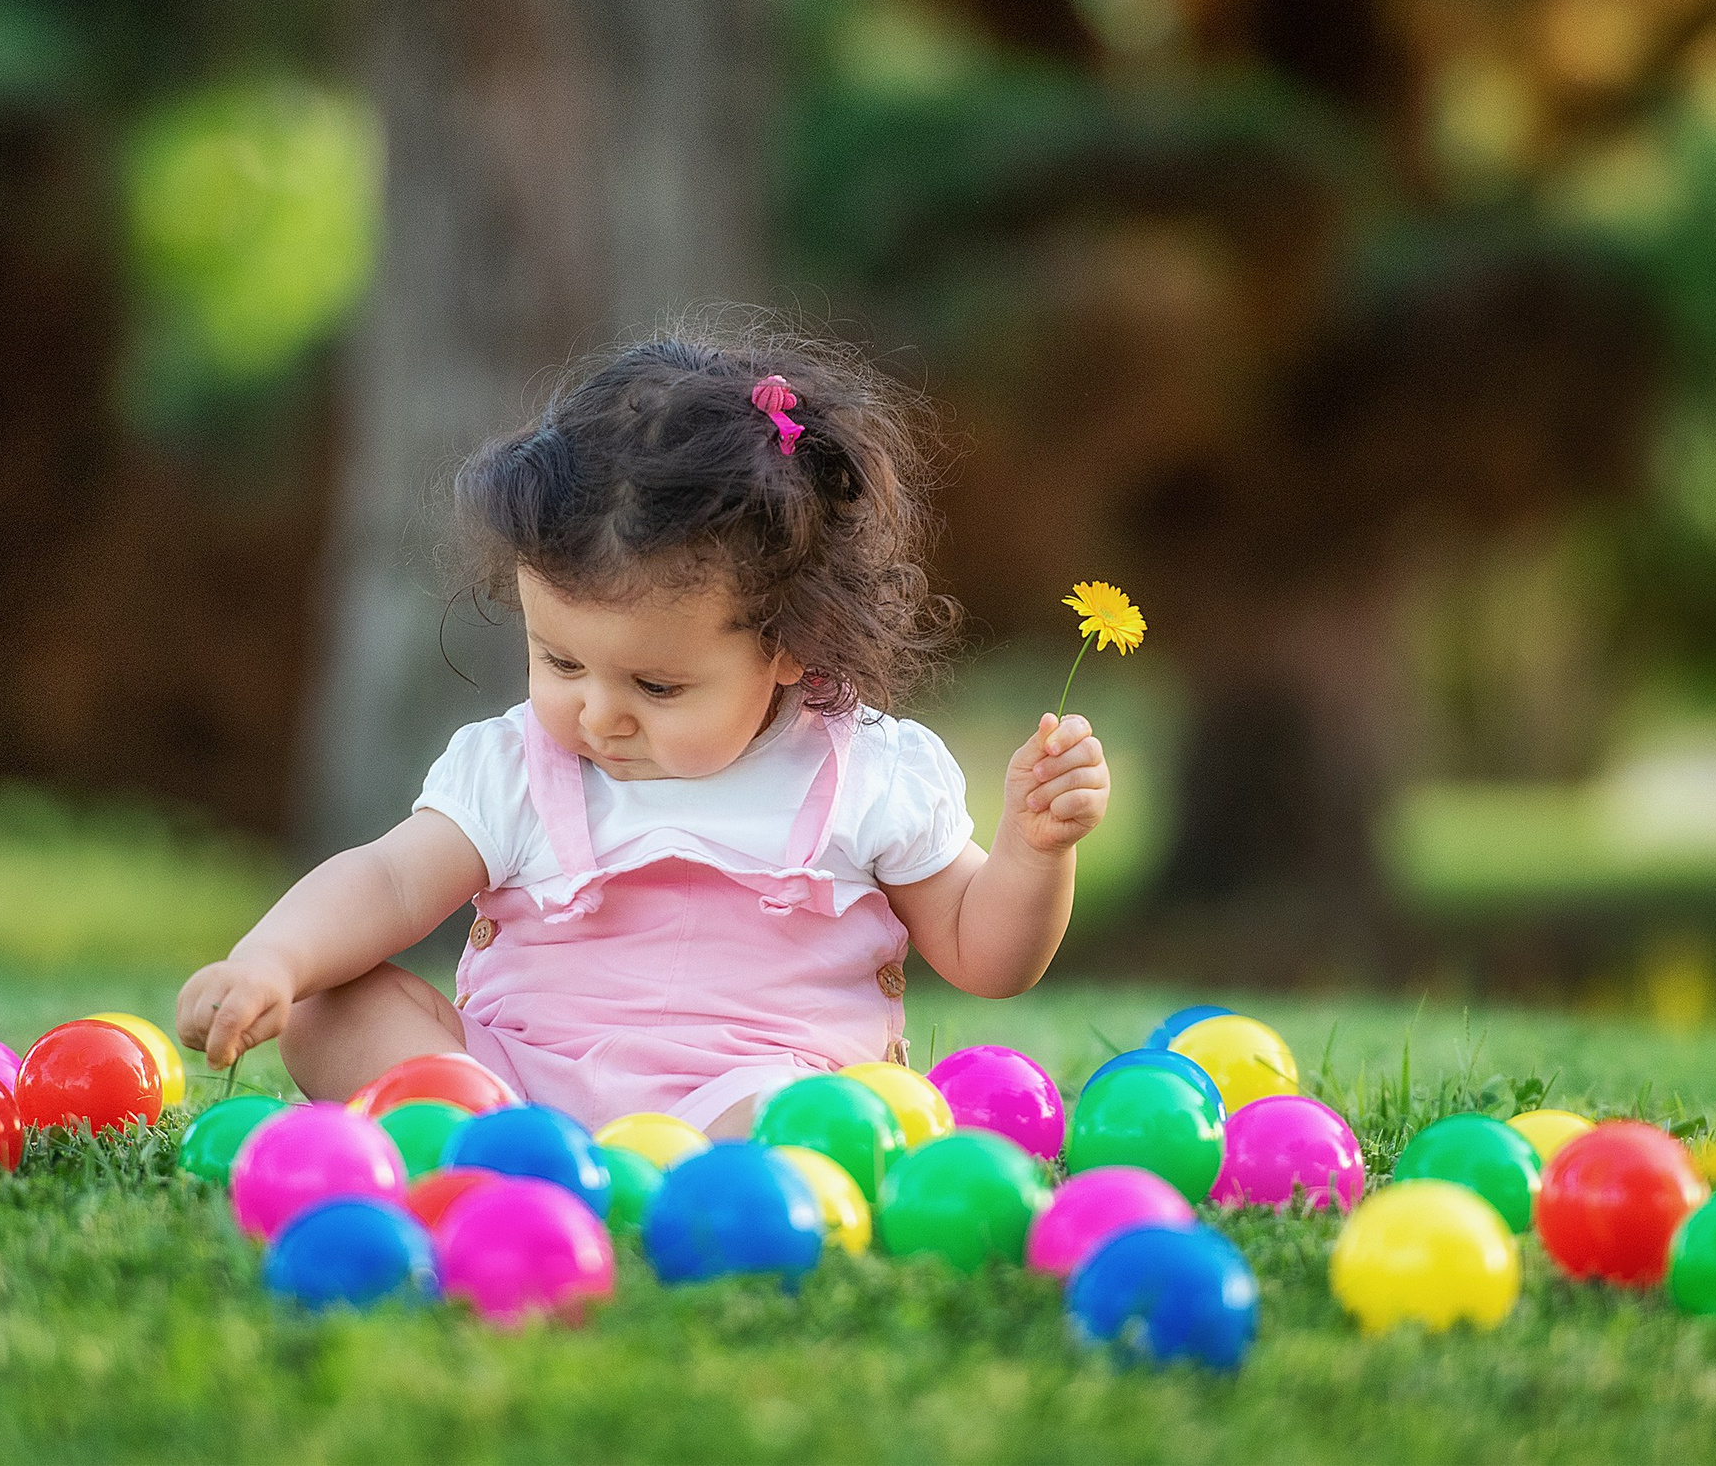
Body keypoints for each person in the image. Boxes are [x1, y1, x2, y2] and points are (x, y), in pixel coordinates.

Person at [175, 328, 1112, 1135]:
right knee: (333, 1010)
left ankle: (710, 1171)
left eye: (657, 685)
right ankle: (487, 1139)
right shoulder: (517, 767)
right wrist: (274, 959)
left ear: (790, 644)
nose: (597, 714)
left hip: (751, 1093)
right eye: (562, 663)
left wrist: (1036, 850)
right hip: (511, 1086)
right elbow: (387, 877)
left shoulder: (862, 771)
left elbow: (985, 956)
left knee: (817, 1122)